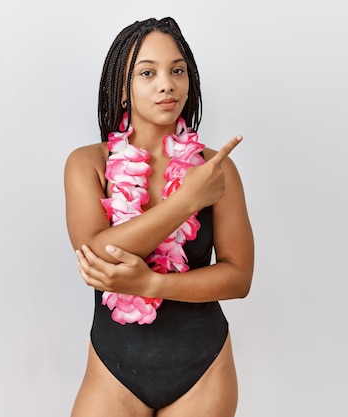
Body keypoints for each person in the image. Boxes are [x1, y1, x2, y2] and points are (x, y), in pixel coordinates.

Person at [64, 17, 254, 417]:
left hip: (202, 368)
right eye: (147, 73)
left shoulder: (214, 170)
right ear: (122, 89)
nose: (167, 83)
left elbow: (239, 278)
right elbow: (97, 253)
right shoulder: (87, 164)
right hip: (113, 372)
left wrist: (151, 282)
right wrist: (186, 202)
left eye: (177, 70)